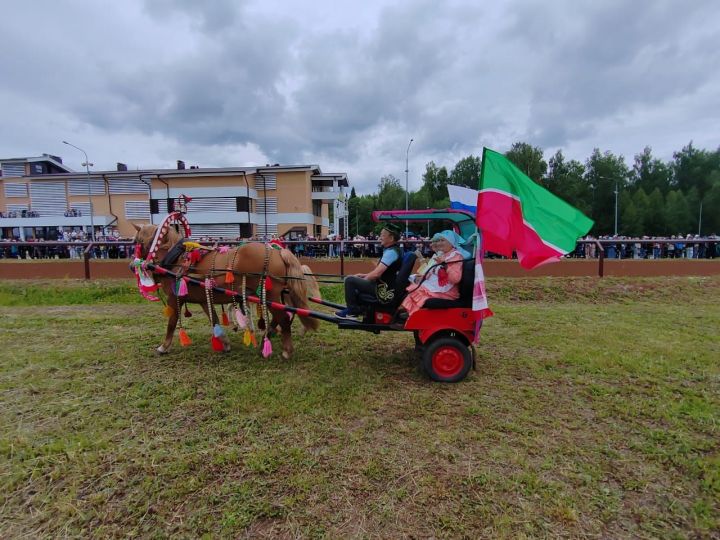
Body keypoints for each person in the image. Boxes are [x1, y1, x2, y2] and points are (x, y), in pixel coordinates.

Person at [335, 223, 403, 319]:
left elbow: (376, 274)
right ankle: (359, 308)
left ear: (391, 238)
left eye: (382, 235)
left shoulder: (391, 252)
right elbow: (380, 273)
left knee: (349, 280)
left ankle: (353, 311)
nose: (380, 237)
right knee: (355, 278)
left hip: (383, 289)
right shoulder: (393, 250)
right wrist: (364, 275)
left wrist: (365, 279)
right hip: (384, 286)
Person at [400, 230, 466, 318]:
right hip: (436, 286)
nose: (439, 243)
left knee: (417, 290)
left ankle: (414, 314)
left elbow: (455, 279)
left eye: (442, 240)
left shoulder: (456, 256)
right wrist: (423, 275)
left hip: (447, 291)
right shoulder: (442, 254)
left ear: (451, 243)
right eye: (438, 241)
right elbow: (430, 271)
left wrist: (445, 264)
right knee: (414, 286)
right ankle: (412, 313)